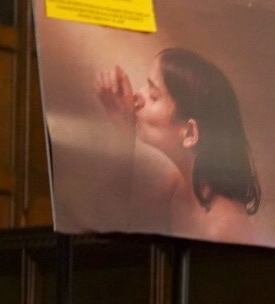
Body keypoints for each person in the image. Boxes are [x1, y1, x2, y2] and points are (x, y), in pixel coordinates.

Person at [95, 47, 261, 243]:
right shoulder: (176, 188)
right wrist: (123, 127)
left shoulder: (225, 227)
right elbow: (117, 224)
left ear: (190, 133)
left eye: (153, 96)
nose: (137, 97)